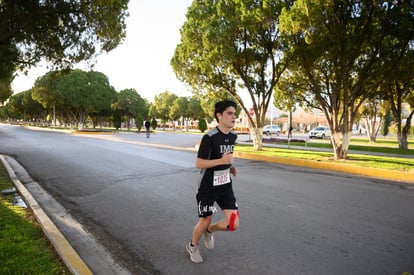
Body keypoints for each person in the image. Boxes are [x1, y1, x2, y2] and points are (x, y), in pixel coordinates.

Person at [186, 100, 240, 263]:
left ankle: (210, 231)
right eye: (229, 113)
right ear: (219, 115)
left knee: (234, 224)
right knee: (205, 220)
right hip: (208, 188)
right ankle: (192, 246)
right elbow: (199, 163)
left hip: (225, 187)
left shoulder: (232, 136)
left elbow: (225, 158)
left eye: (234, 114)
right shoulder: (209, 137)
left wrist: (229, 167)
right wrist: (222, 161)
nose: (234, 117)